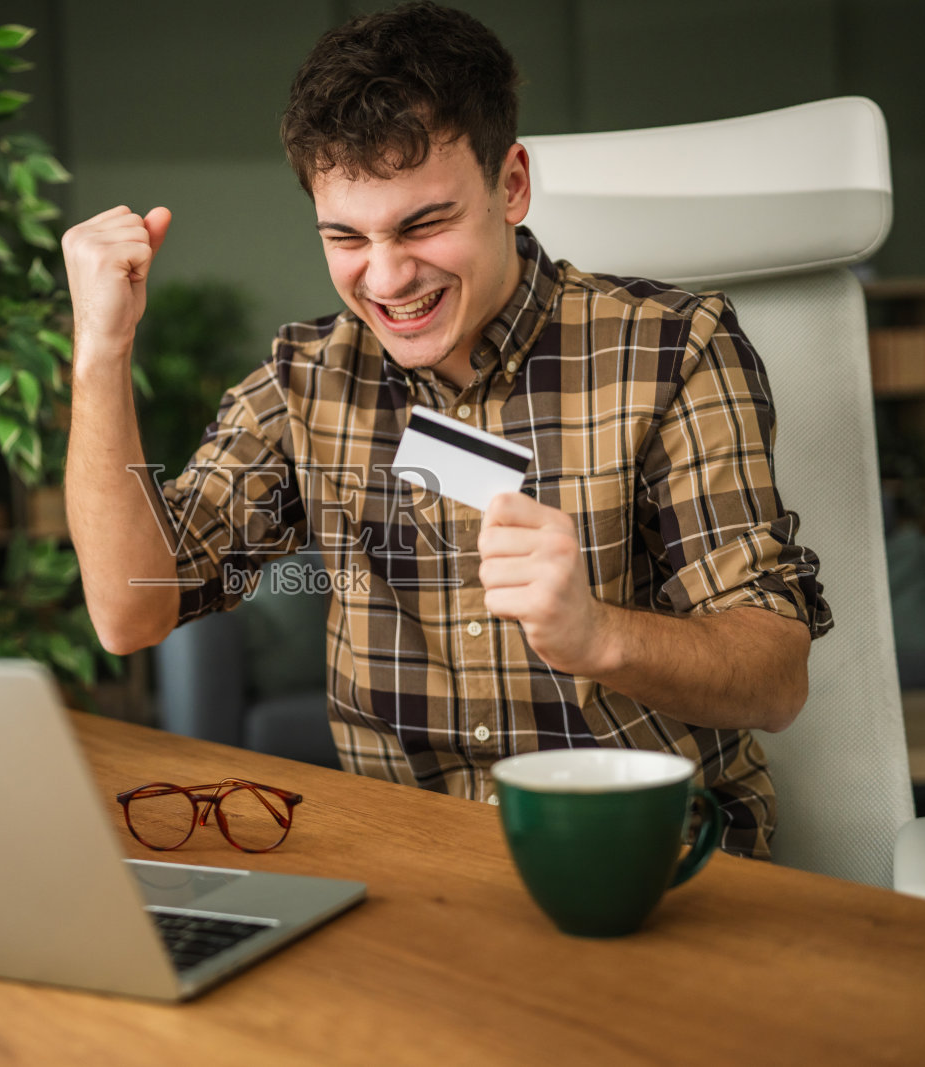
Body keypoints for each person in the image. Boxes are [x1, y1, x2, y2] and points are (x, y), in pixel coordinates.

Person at [61, 1, 830, 860]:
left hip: (643, 856)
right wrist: (102, 348)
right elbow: (131, 611)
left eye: (424, 223)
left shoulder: (670, 350)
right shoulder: (308, 379)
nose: (386, 277)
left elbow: (776, 675)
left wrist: (596, 633)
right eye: (346, 236)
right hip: (413, 869)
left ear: (511, 185)